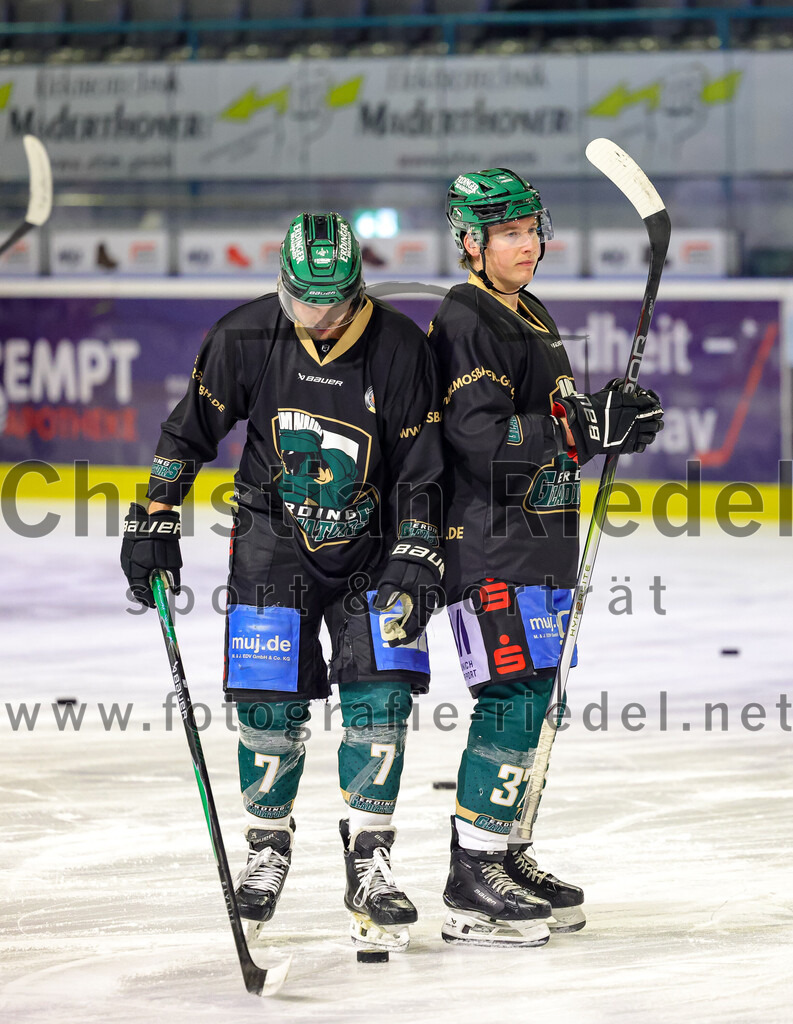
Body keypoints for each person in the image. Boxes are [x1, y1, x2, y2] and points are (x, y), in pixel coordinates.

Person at [121, 212, 445, 952]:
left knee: (383, 695)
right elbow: (186, 432)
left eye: (331, 301)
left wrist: (419, 549)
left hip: (374, 546)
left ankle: (370, 856)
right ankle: (267, 846)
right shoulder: (245, 335)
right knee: (267, 709)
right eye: (302, 297)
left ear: (357, 290)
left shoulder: (398, 346)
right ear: (282, 283)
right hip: (271, 541)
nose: (316, 315)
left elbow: (423, 464)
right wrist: (156, 516)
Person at [429, 169, 664, 947]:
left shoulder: (525, 310)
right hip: (490, 546)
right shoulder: (466, 319)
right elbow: (480, 439)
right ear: (471, 241)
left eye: (531, 229)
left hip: (538, 543)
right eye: (506, 233)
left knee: (535, 701)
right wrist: (577, 429)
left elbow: (549, 431)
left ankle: (506, 850)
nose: (526, 245)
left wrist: (605, 425)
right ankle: (471, 873)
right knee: (511, 697)